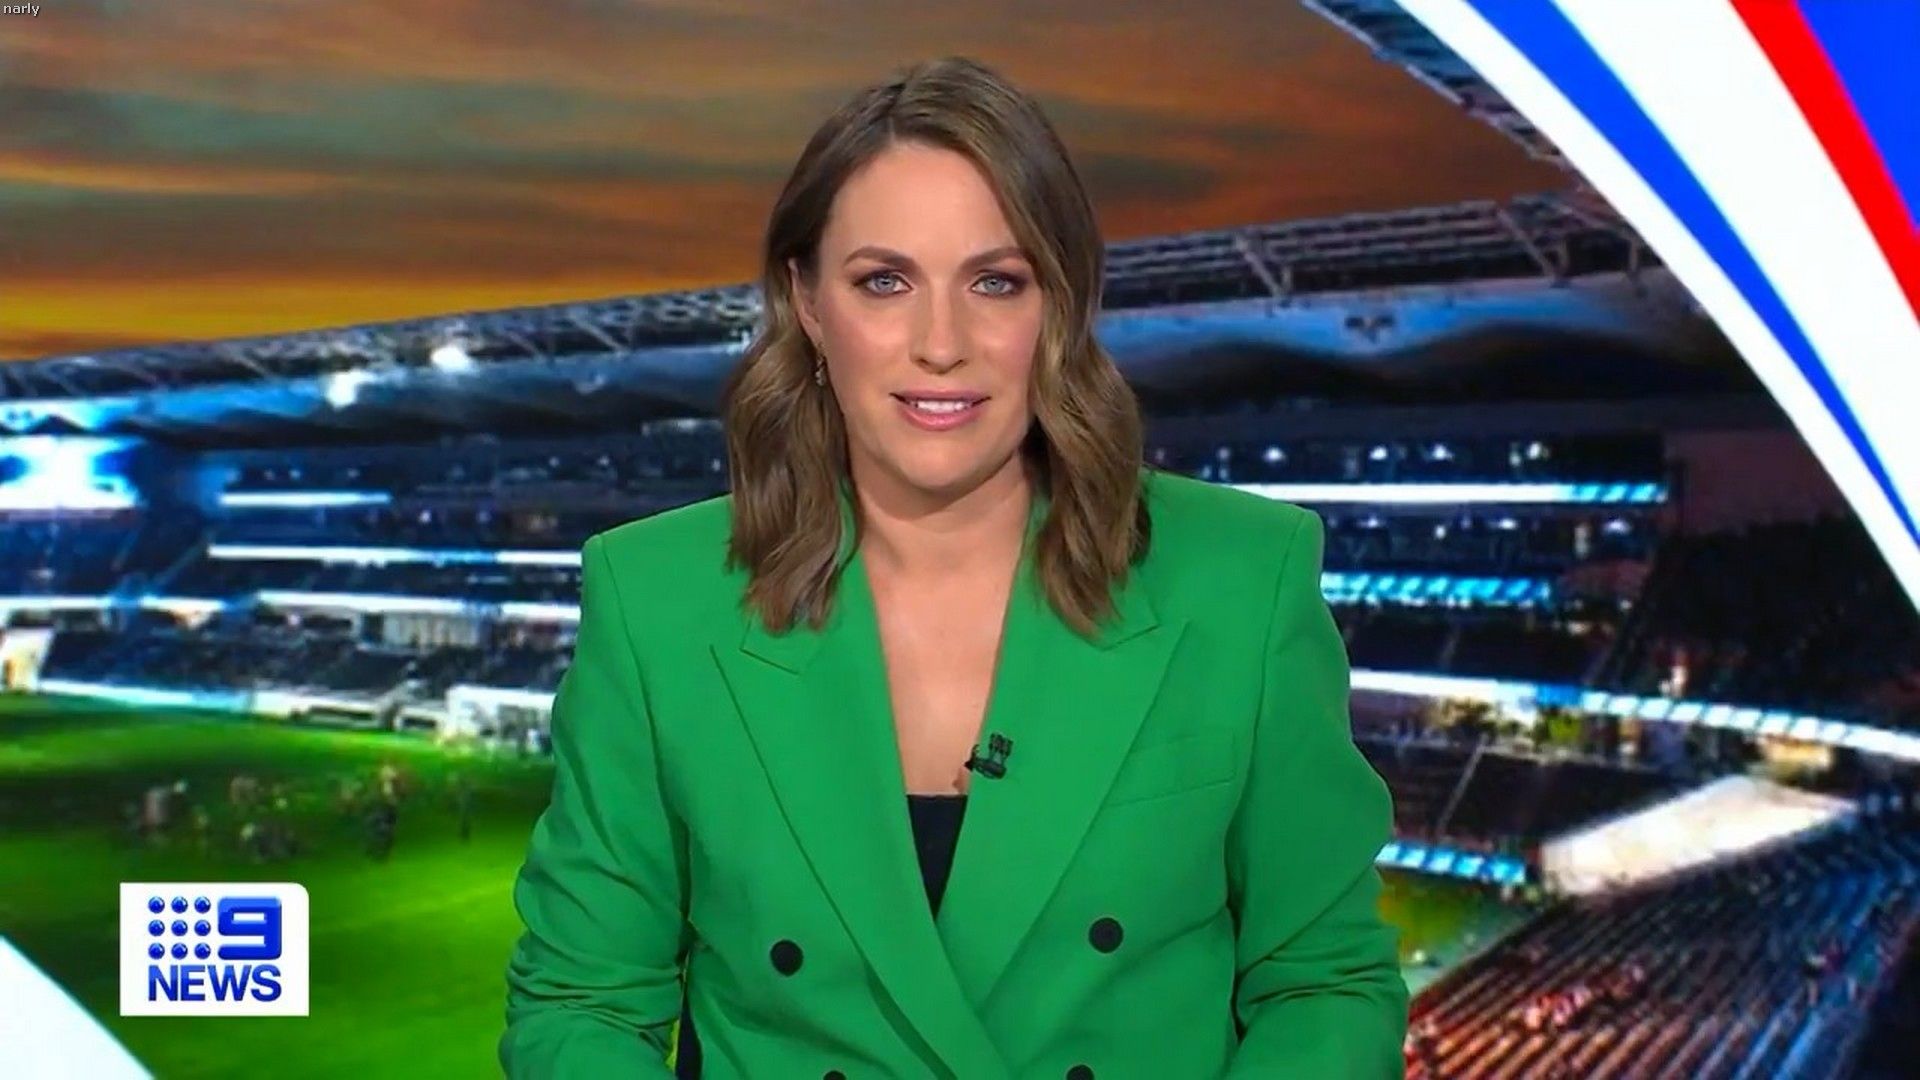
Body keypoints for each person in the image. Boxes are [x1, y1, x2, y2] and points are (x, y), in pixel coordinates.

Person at [500, 55, 1406, 1079]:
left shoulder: (1243, 578)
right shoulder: (654, 599)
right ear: (807, 302)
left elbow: (1322, 986)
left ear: (1060, 304)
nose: (942, 343)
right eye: (883, 282)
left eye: (996, 282)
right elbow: (581, 1004)